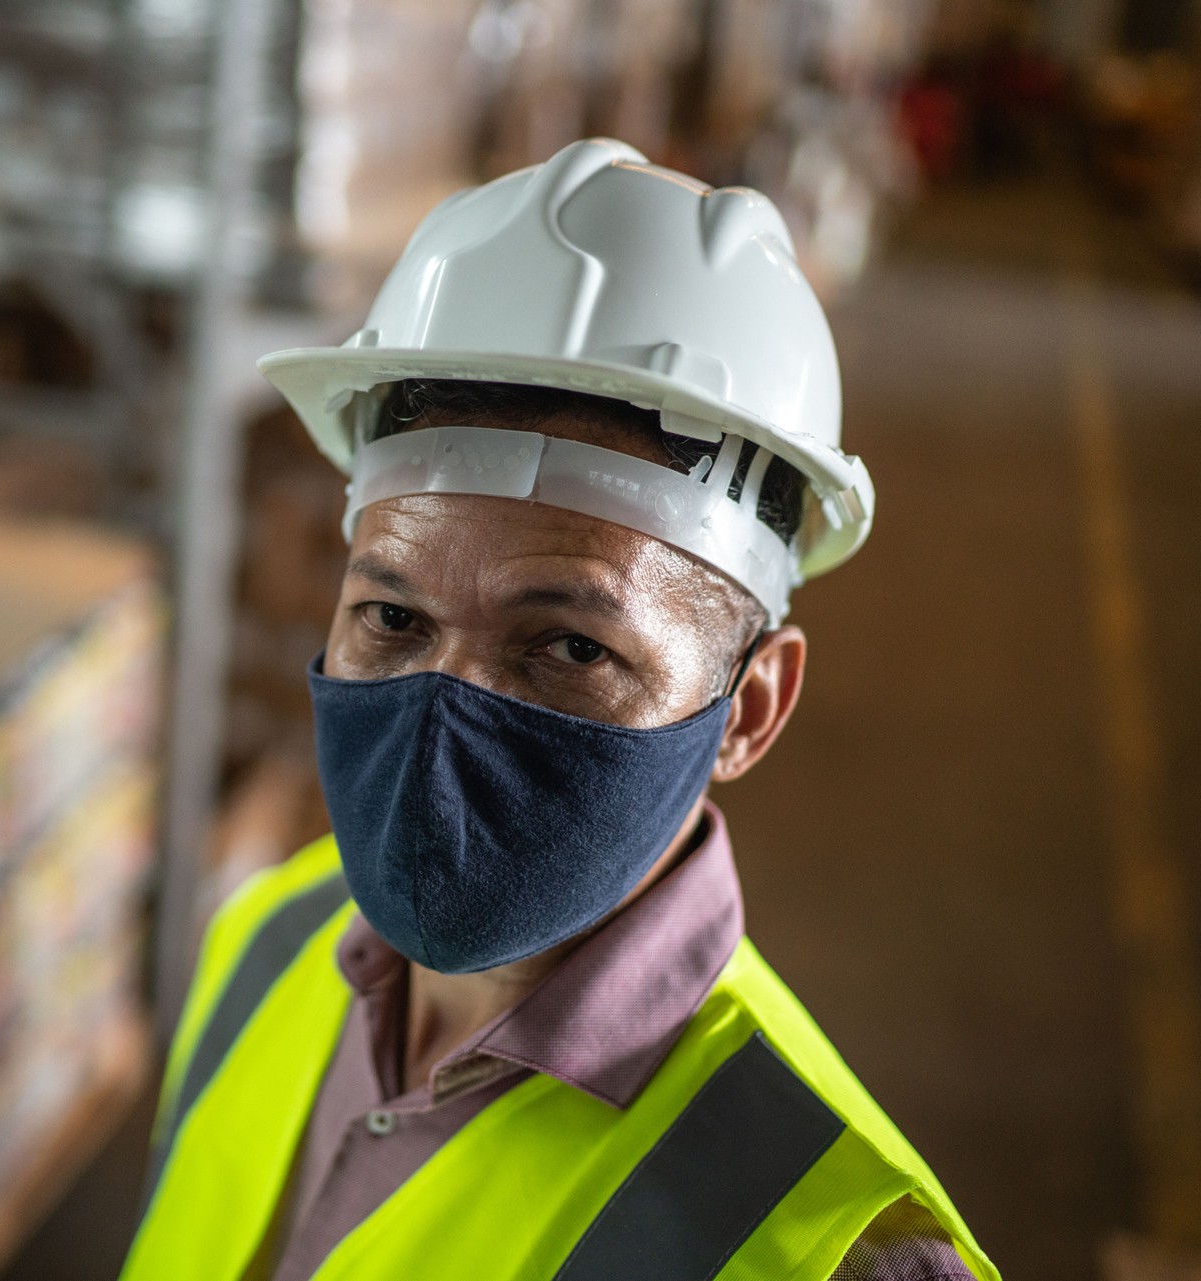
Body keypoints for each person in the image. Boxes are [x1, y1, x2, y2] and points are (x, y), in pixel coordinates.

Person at [120, 139, 999, 1280]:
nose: (446, 710)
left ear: (749, 709)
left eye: (572, 647)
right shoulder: (260, 948)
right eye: (392, 619)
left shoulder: (837, 1249)